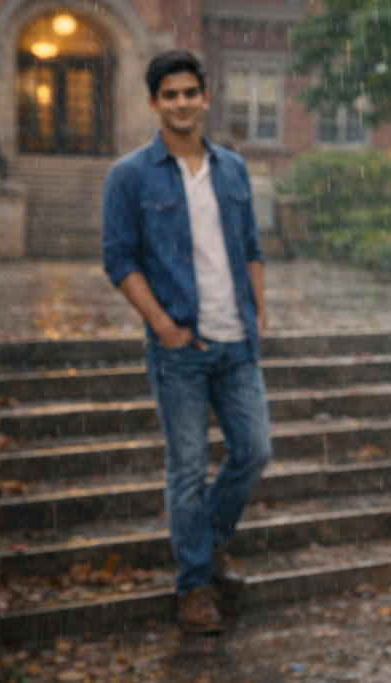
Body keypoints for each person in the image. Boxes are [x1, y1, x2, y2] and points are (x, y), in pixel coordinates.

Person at [102, 49, 272, 634]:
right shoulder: (129, 176)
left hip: (237, 342)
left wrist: (260, 310)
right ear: (154, 103)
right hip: (179, 347)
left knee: (255, 452)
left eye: (189, 93)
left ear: (204, 97)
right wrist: (164, 326)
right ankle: (194, 585)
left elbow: (250, 246)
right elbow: (119, 259)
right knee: (187, 468)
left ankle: (206, 540)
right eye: (169, 94)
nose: (180, 102)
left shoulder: (232, 169)